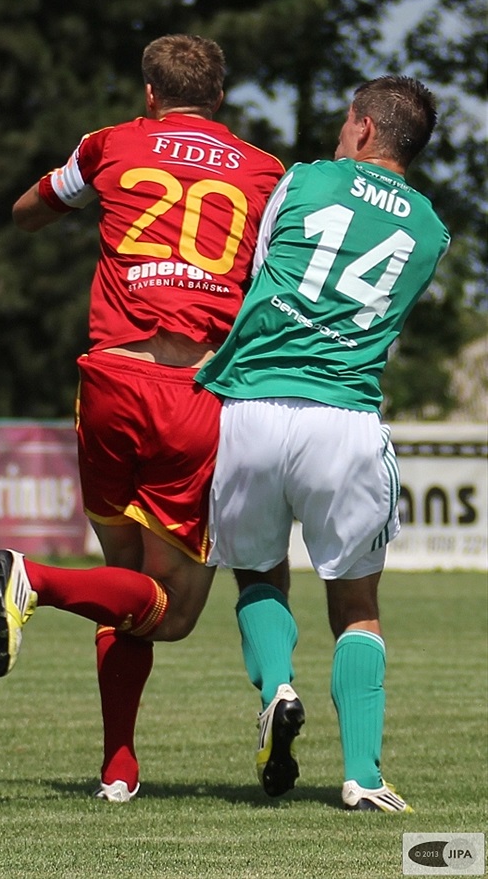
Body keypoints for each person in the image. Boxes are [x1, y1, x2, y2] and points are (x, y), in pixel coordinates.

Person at [0, 34, 285, 800]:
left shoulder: (111, 143)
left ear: (150, 92)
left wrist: (79, 194)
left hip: (109, 381)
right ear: (220, 96)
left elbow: (27, 212)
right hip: (194, 392)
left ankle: (119, 765)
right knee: (172, 611)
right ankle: (35, 580)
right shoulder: (264, 170)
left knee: (122, 583)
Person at [196, 75, 450, 813]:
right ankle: (364, 777)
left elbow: (259, 270)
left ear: (365, 129)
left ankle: (278, 686)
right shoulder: (432, 231)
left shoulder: (303, 179)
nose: (342, 132)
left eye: (347, 121)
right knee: (358, 604)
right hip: (344, 419)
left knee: (256, 573)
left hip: (252, 406)